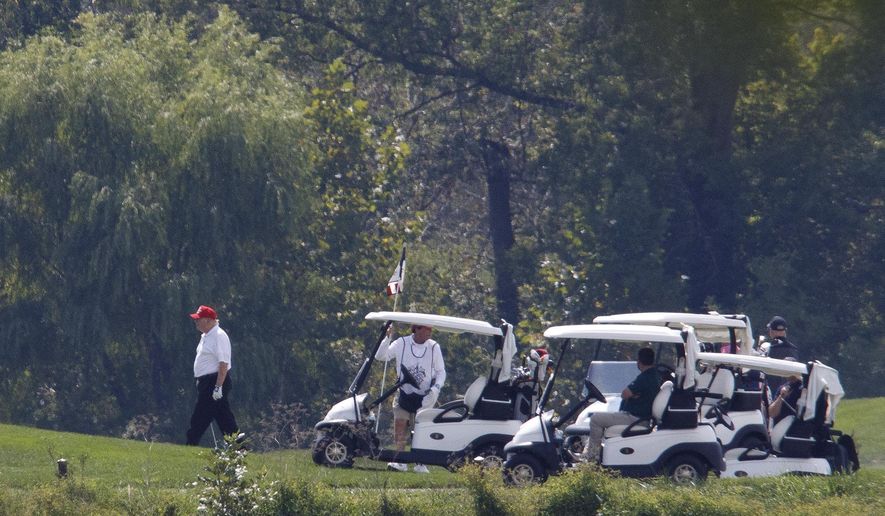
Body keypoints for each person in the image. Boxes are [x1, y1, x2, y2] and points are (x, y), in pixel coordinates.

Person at [375, 324, 446, 473]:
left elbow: (440, 372)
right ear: (417, 329)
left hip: (425, 396)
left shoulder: (434, 347)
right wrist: (387, 337)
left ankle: (420, 462)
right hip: (404, 392)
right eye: (427, 329)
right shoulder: (402, 342)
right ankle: (401, 461)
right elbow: (381, 356)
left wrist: (436, 388)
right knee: (400, 425)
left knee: (420, 429)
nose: (430, 332)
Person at [582, 347, 661, 462]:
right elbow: (631, 394)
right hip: (639, 416)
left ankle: (592, 459)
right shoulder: (654, 376)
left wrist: (632, 395)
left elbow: (625, 394)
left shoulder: (645, 377)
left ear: (639, 361)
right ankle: (592, 454)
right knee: (602, 419)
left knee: (595, 419)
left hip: (634, 418)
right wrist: (633, 395)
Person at [186, 305, 240, 446]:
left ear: (209, 320)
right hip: (207, 383)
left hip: (214, 382)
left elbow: (223, 364)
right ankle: (239, 447)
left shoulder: (219, 336)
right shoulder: (206, 336)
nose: (196, 322)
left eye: (199, 319)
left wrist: (218, 387)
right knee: (225, 419)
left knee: (199, 418)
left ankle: (190, 445)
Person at [762, 316, 800, 393]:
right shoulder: (793, 348)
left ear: (771, 331)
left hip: (771, 392)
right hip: (787, 392)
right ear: (785, 331)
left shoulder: (770, 348)